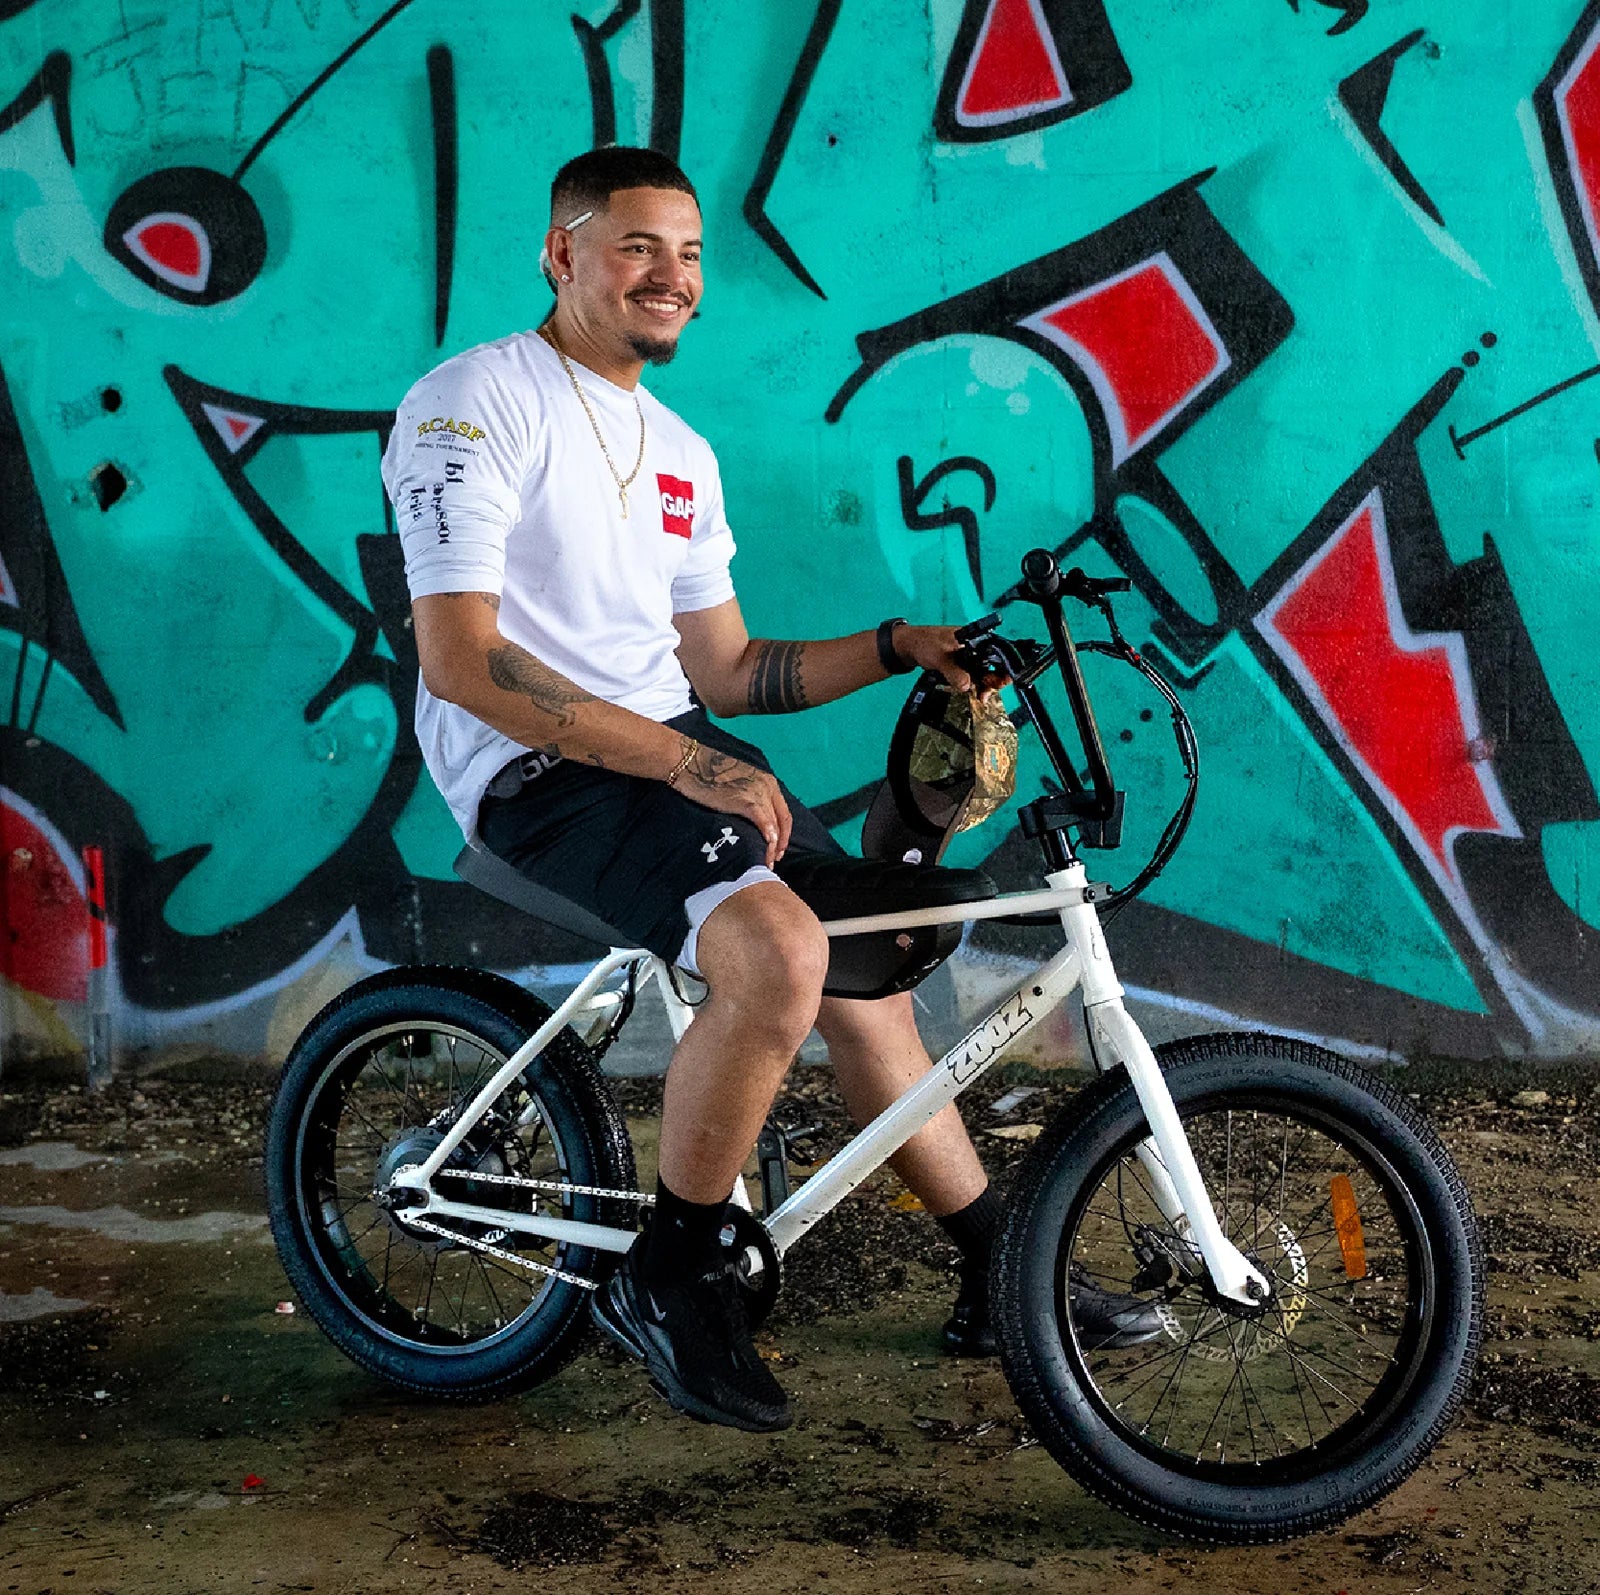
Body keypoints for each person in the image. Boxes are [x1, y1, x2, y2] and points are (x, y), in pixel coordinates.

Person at [381, 145, 1159, 1435]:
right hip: (539, 771)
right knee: (780, 951)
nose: (669, 277)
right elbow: (461, 661)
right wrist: (687, 760)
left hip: (674, 758)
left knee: (865, 966)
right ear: (560, 254)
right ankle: (672, 1276)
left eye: (687, 255)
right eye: (635, 247)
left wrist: (901, 645)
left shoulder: (679, 450)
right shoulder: (473, 402)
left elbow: (733, 671)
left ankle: (1001, 1272)